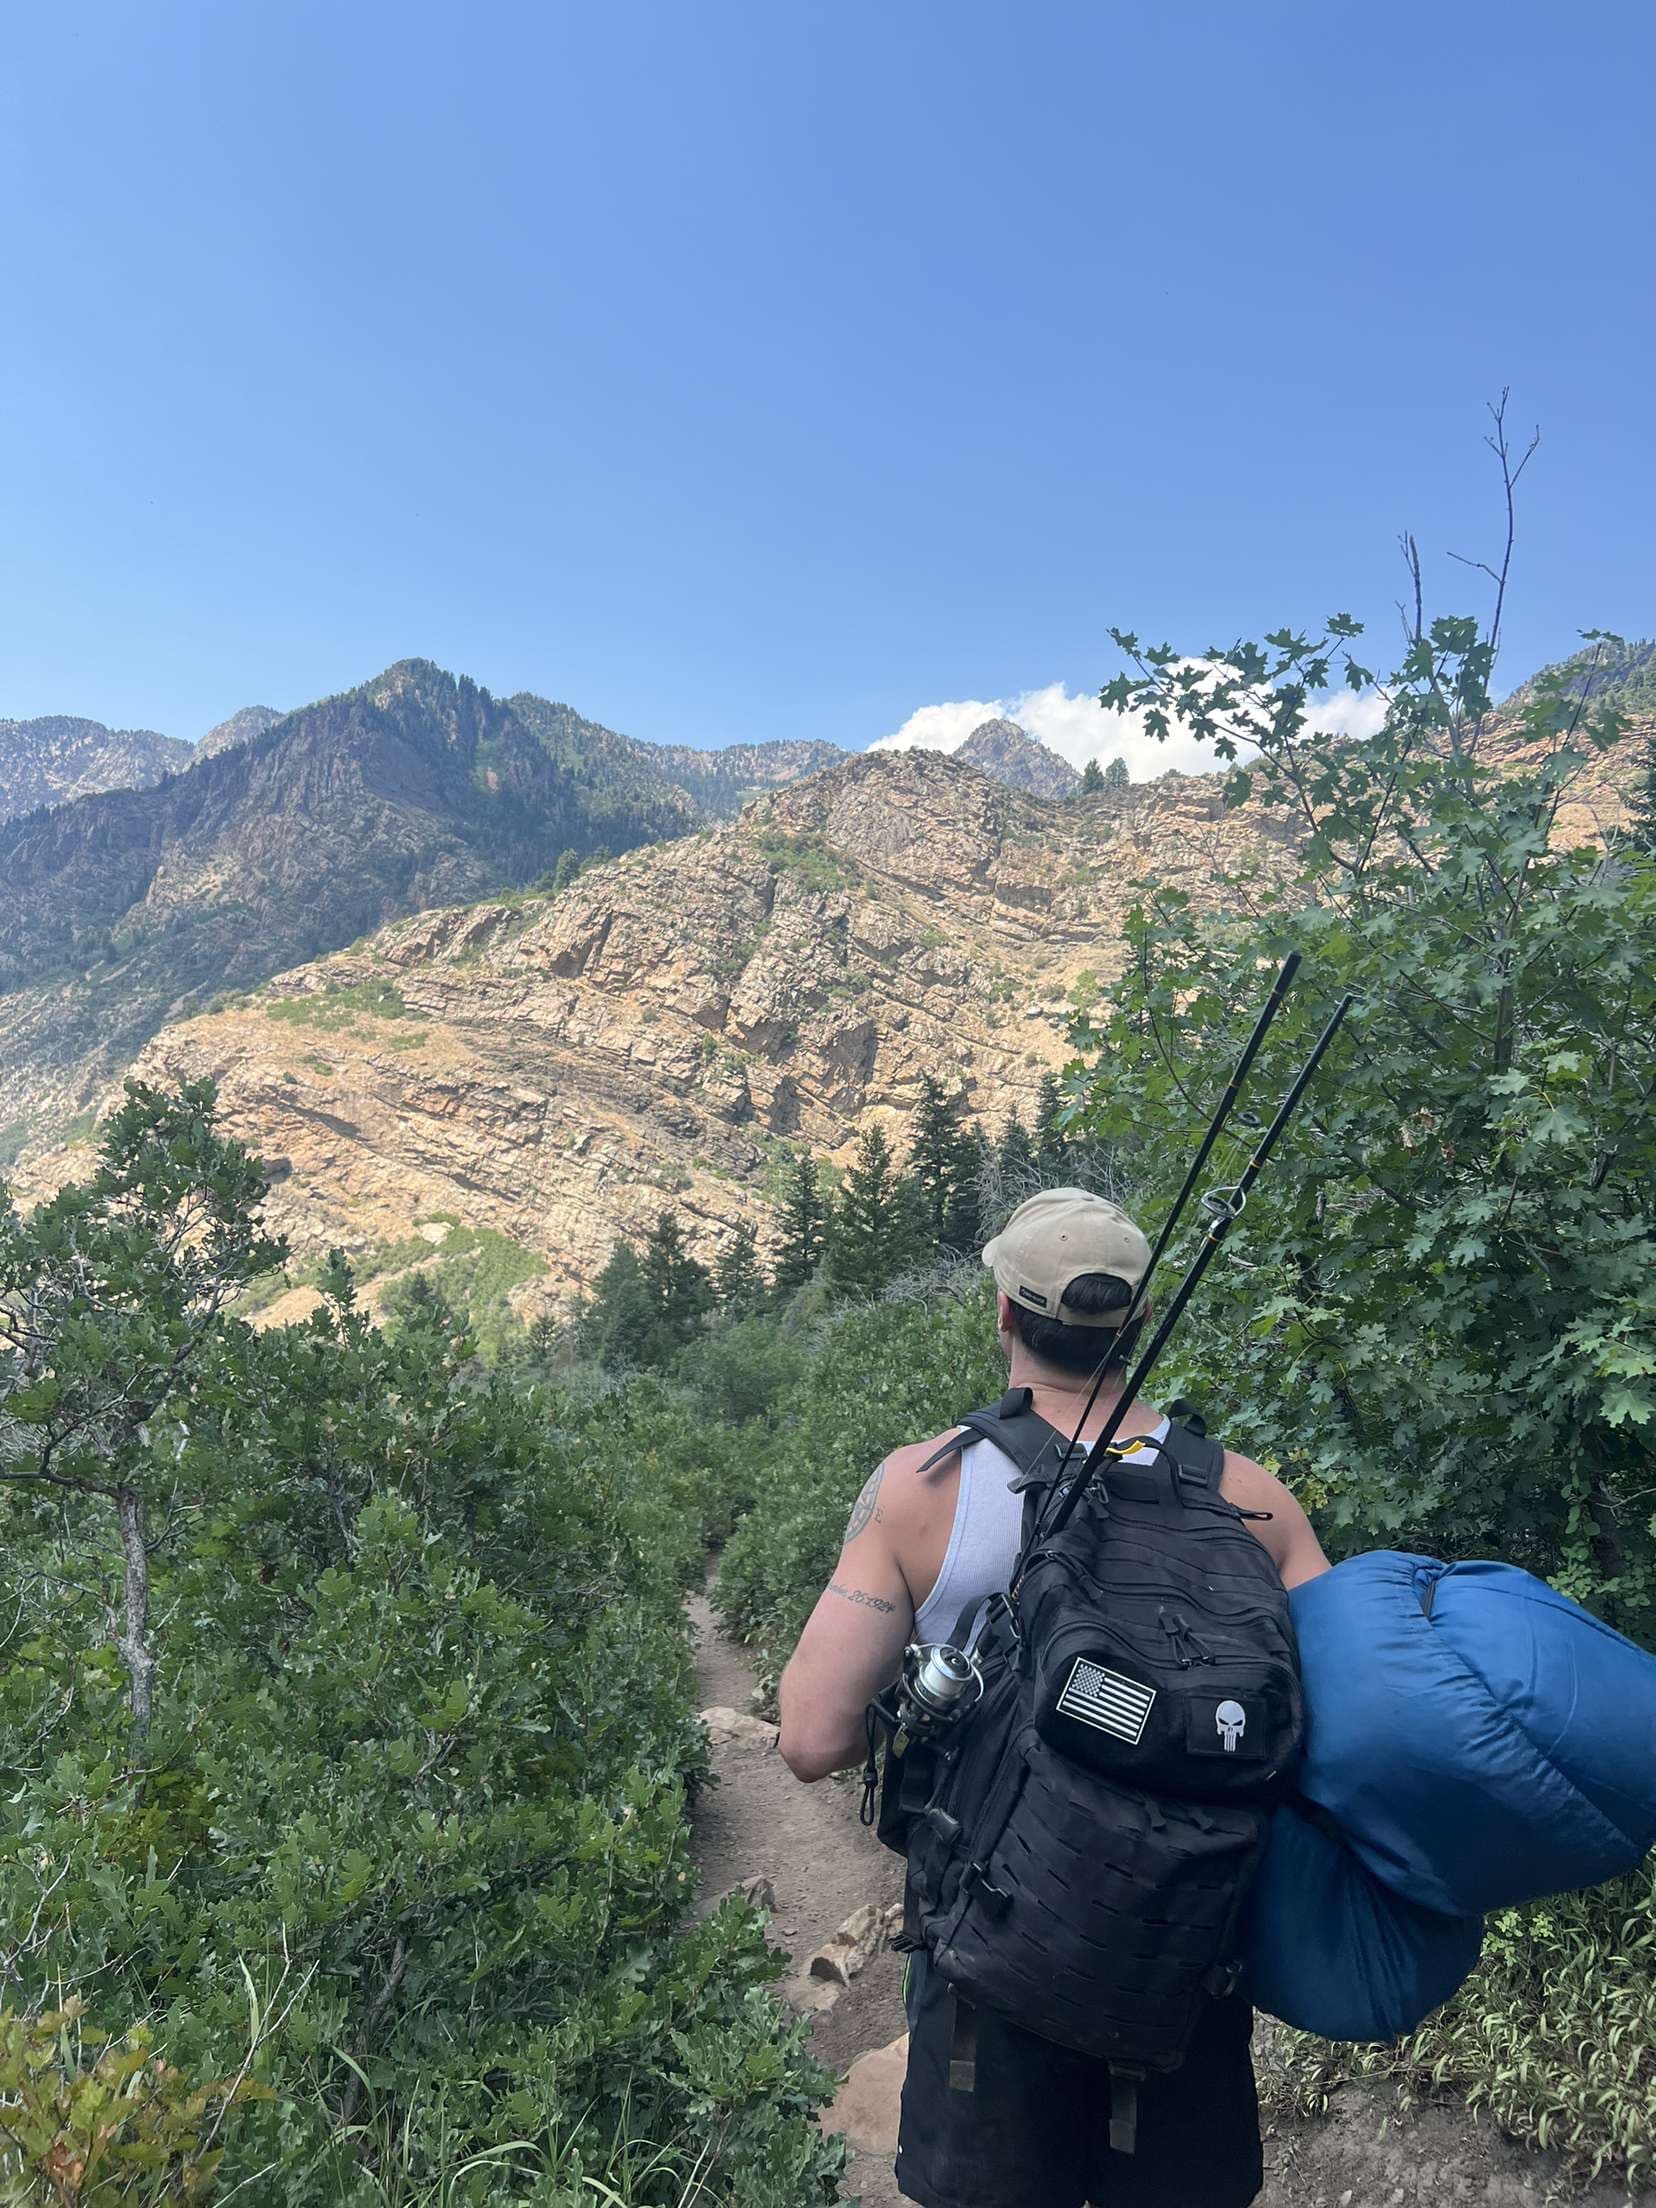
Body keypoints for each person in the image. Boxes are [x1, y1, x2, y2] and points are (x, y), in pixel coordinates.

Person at [778, 1188, 1331, 2208]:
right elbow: (1332, 1737)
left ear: (1003, 1312)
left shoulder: (923, 1487)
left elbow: (811, 1740)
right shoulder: (1252, 1498)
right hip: (1186, 1967)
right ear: (1135, 1323)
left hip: (993, 1972)